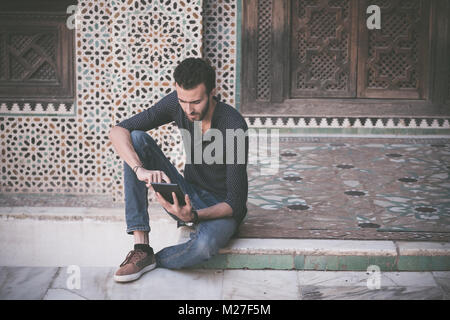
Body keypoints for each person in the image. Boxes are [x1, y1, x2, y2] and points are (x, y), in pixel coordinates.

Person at [108, 57, 249, 282]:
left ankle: (155, 259)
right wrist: (138, 170)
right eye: (183, 100)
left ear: (212, 92)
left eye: (195, 102)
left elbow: (235, 203)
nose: (188, 109)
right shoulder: (177, 104)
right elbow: (118, 130)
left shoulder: (233, 125)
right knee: (135, 139)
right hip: (187, 193)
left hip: (221, 207)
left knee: (203, 247)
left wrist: (193, 215)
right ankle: (141, 247)